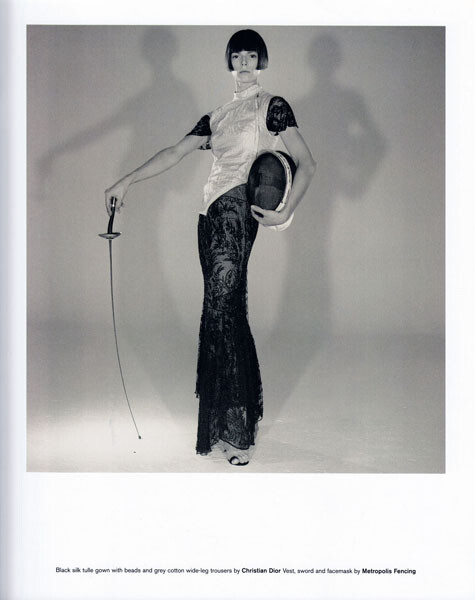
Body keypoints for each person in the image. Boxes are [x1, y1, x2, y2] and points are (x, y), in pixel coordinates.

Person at [104, 29, 316, 466]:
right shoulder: (217, 116)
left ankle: (237, 434)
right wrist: (125, 181)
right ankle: (226, 423)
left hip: (238, 212)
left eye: (251, 55)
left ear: (261, 61)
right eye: (237, 56)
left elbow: (307, 163)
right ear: (229, 62)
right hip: (209, 217)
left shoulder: (271, 106)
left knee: (225, 313)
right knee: (222, 312)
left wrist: (283, 212)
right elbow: (173, 153)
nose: (244, 62)